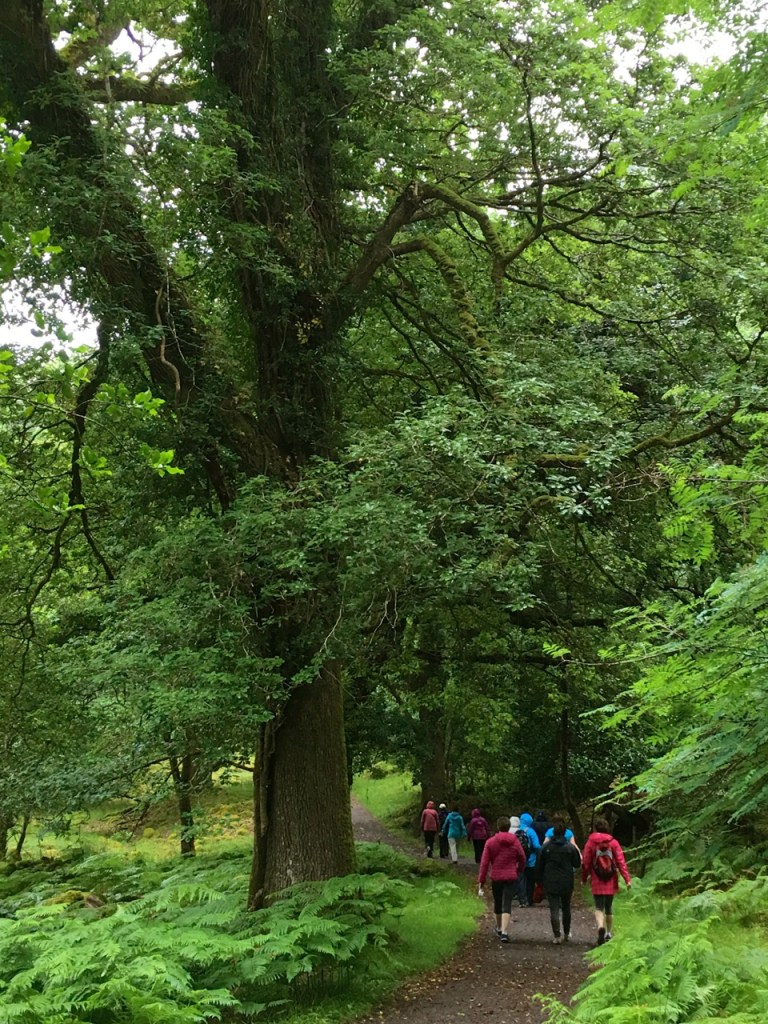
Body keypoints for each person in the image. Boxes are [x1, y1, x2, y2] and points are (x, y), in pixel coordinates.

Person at [582, 816, 632, 946]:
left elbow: (586, 863)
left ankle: (600, 927)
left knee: (599, 906)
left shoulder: (591, 843)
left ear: (595, 829)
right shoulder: (614, 843)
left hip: (597, 878)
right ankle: (608, 933)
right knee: (609, 907)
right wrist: (627, 879)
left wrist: (583, 878)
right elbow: (621, 862)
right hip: (611, 878)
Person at [477, 816, 527, 943]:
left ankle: (499, 928)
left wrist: (481, 881)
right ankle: (505, 932)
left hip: (496, 876)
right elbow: (522, 857)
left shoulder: (490, 842)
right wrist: (519, 869)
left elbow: (484, 863)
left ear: (498, 827)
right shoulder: (515, 841)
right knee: (507, 902)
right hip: (511, 876)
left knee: (498, 902)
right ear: (509, 827)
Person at [535, 821, 582, 943]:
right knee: (566, 907)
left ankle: (557, 936)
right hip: (567, 880)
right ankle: (566, 933)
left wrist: (539, 880)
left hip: (550, 881)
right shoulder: (570, 848)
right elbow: (577, 863)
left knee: (554, 908)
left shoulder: (545, 848)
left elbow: (539, 865)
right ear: (565, 833)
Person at [510, 812, 540, 906]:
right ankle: (529, 899)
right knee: (530, 880)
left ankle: (520, 897)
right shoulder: (530, 831)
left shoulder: (515, 830)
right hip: (530, 860)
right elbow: (536, 846)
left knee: (520, 879)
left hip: (518, 860)